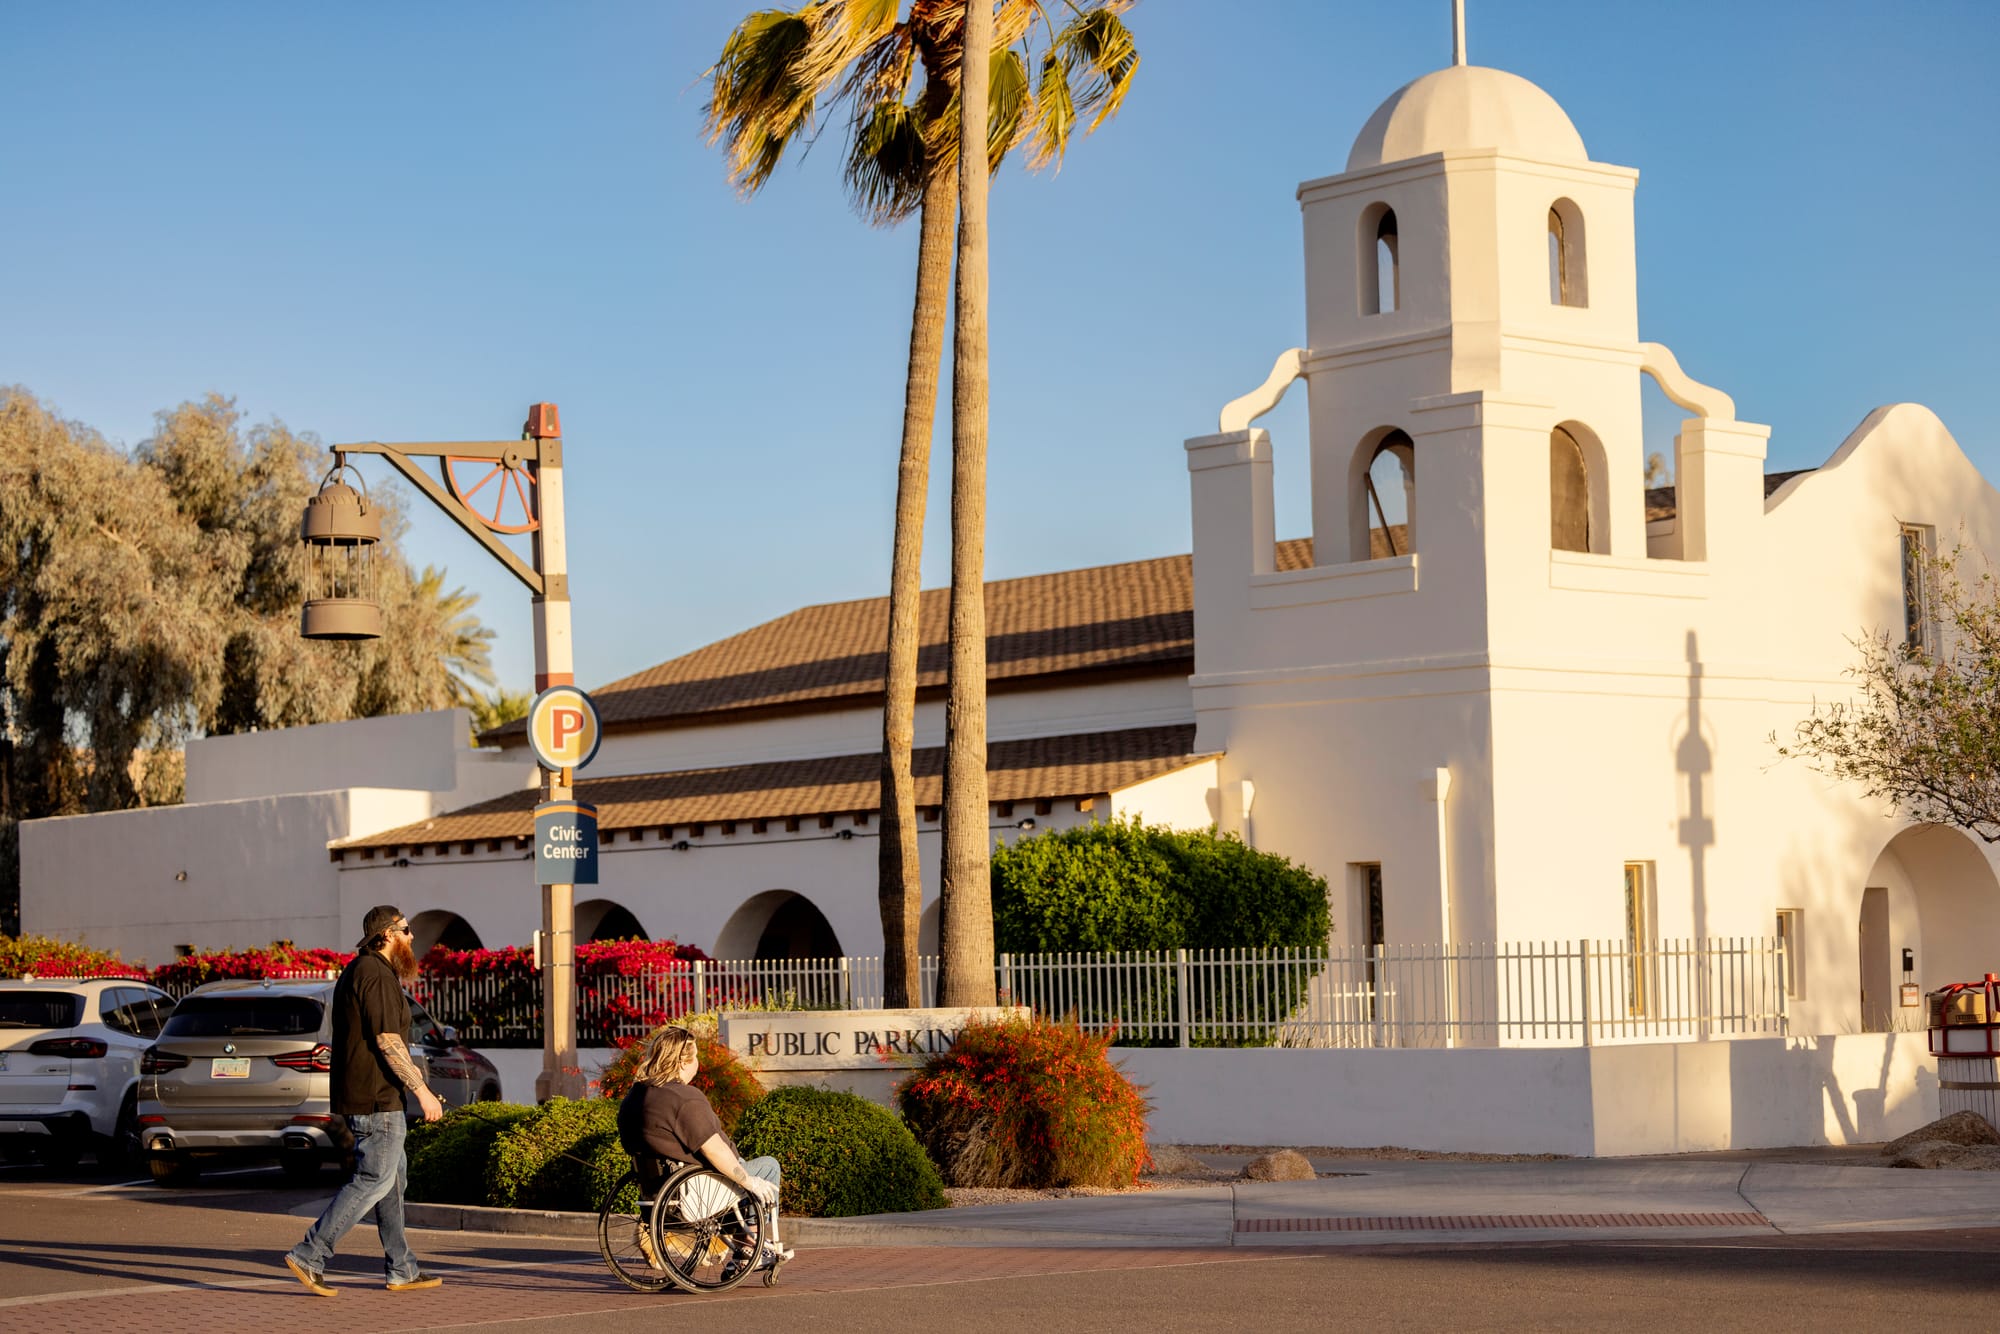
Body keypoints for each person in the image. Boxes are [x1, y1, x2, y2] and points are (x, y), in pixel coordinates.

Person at [283, 905, 446, 1297]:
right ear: (388, 934)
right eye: (407, 930)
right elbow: (386, 1040)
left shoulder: (366, 971)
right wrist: (422, 1091)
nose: (412, 937)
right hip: (377, 1101)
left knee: (391, 1182)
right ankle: (310, 1254)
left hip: (377, 1097)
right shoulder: (374, 974)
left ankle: (402, 1268)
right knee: (373, 1179)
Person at [616, 1025, 792, 1271]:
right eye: (695, 1055)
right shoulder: (683, 1097)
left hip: (655, 1194)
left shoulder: (634, 1096)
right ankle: (750, 1246)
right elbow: (714, 1150)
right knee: (768, 1167)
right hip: (693, 1193)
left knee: (739, 1171)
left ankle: (745, 1243)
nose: (698, 1061)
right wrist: (748, 1181)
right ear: (682, 1061)